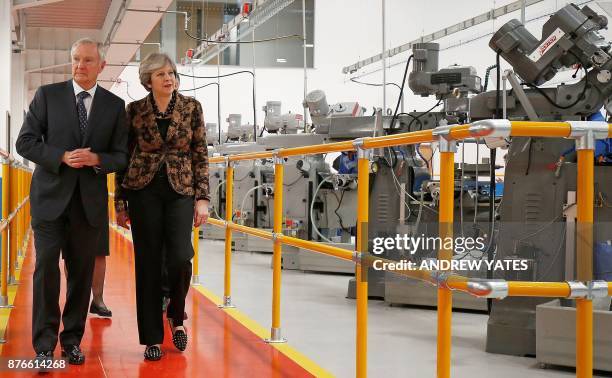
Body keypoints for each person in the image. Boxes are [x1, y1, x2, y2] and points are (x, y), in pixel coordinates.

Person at [16, 38, 128, 364]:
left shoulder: (113, 105)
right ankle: (43, 347)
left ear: (101, 66)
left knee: (80, 276)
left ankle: (72, 340)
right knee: (46, 270)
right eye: (76, 59)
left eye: (88, 60)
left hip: (88, 204)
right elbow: (25, 142)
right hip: (49, 200)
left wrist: (96, 158)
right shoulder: (47, 96)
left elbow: (121, 157)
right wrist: (61, 156)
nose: (80, 66)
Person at [114, 52, 209, 361]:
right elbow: (123, 157)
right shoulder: (135, 110)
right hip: (143, 190)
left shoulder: (192, 107)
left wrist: (204, 198)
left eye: (171, 72)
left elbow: (200, 153)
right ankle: (151, 336)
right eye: (161, 74)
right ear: (148, 81)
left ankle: (176, 315)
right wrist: (119, 201)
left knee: (181, 256)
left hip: (181, 188)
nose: (169, 78)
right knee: (148, 262)